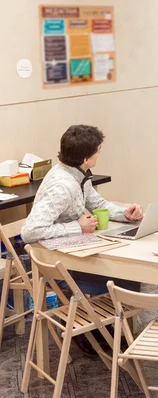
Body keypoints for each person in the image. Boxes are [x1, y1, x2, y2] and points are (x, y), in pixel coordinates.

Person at [21, 125, 144, 353]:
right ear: (87, 157)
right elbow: (30, 231)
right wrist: (76, 227)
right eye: (99, 150)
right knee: (126, 280)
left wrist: (123, 213)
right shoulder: (63, 186)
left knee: (127, 277)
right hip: (58, 263)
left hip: (74, 252)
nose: (100, 153)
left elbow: (97, 203)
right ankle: (98, 333)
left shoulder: (78, 175)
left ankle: (103, 330)